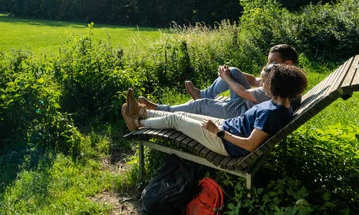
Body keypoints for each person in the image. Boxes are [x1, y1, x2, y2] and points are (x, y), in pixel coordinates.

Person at [122, 64, 307, 157]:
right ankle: (142, 112)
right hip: (227, 126)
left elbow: (250, 145)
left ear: (276, 86)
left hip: (224, 142)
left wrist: (218, 132)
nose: (262, 83)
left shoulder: (271, 113)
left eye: (266, 81)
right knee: (184, 114)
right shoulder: (284, 106)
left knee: (176, 120)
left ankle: (137, 123)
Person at [138, 44, 299, 119]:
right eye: (268, 62)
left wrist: (226, 78)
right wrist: (230, 73)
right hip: (247, 105)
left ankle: (159, 109)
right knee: (234, 71)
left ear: (288, 64)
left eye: (273, 62)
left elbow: (243, 93)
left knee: (200, 106)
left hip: (242, 113)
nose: (268, 65)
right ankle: (202, 94)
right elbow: (256, 81)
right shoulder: (289, 80)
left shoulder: (281, 87)